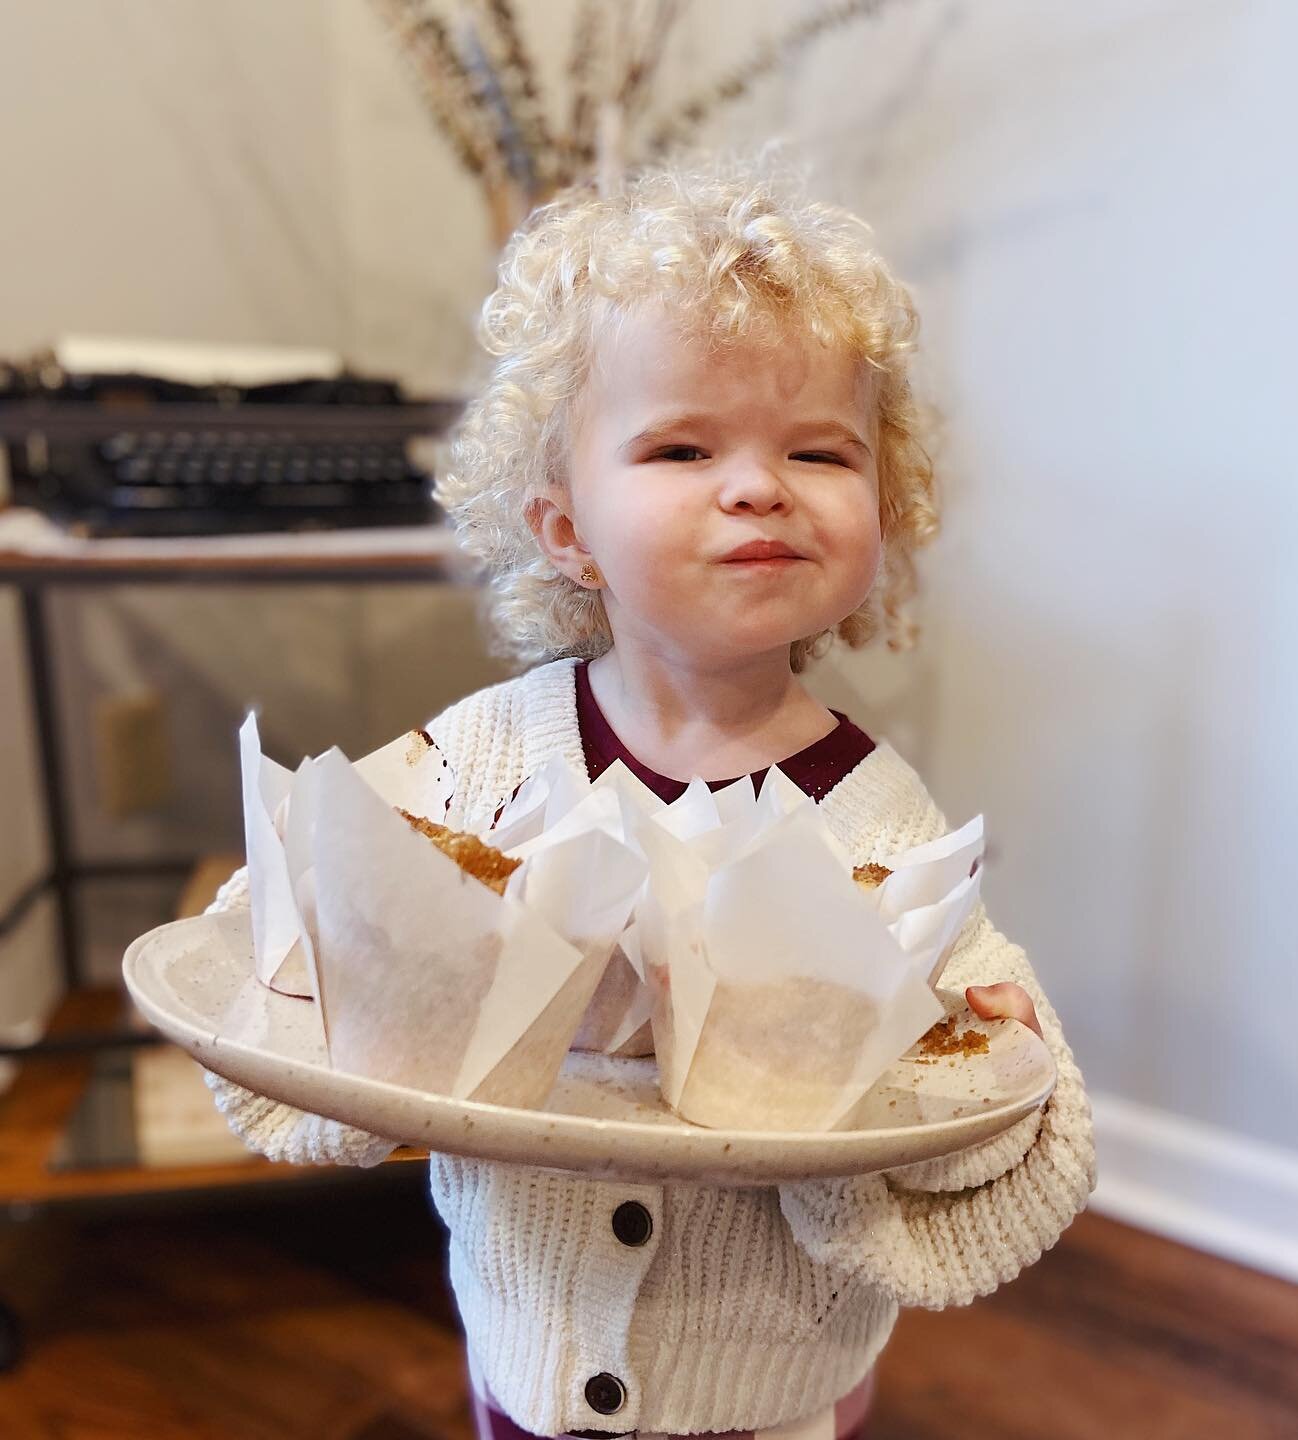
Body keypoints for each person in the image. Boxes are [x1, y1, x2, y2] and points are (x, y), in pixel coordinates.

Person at [204, 154, 1095, 1440]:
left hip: (775, 1389)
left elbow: (987, 1117)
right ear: (565, 529)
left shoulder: (871, 816)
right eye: (682, 445)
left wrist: (977, 1046)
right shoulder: (487, 760)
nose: (757, 485)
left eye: (819, 451)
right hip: (535, 1348)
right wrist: (319, 927)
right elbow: (307, 933)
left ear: (882, 509)